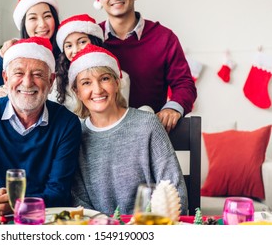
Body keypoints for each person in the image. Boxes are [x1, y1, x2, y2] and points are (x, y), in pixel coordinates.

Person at [0, 37, 81, 216]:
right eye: (19, 73)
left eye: (38, 74)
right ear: (5, 78)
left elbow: (59, 194)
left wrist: (18, 204)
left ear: (51, 80)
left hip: (42, 226)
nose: (28, 82)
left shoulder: (66, 124)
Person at [69, 43, 188, 215]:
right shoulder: (75, 135)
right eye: (86, 83)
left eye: (104, 79)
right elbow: (77, 200)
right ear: (77, 91)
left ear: (117, 83)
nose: (97, 89)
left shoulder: (147, 124)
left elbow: (174, 189)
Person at [93, 0, 197, 132]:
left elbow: (184, 84)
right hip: (102, 135)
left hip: (150, 135)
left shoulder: (164, 37)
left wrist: (172, 108)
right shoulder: (92, 39)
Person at [47, 13, 130, 111]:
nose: (75, 50)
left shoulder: (121, 77)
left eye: (82, 42)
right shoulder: (57, 82)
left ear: (94, 41)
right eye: (69, 46)